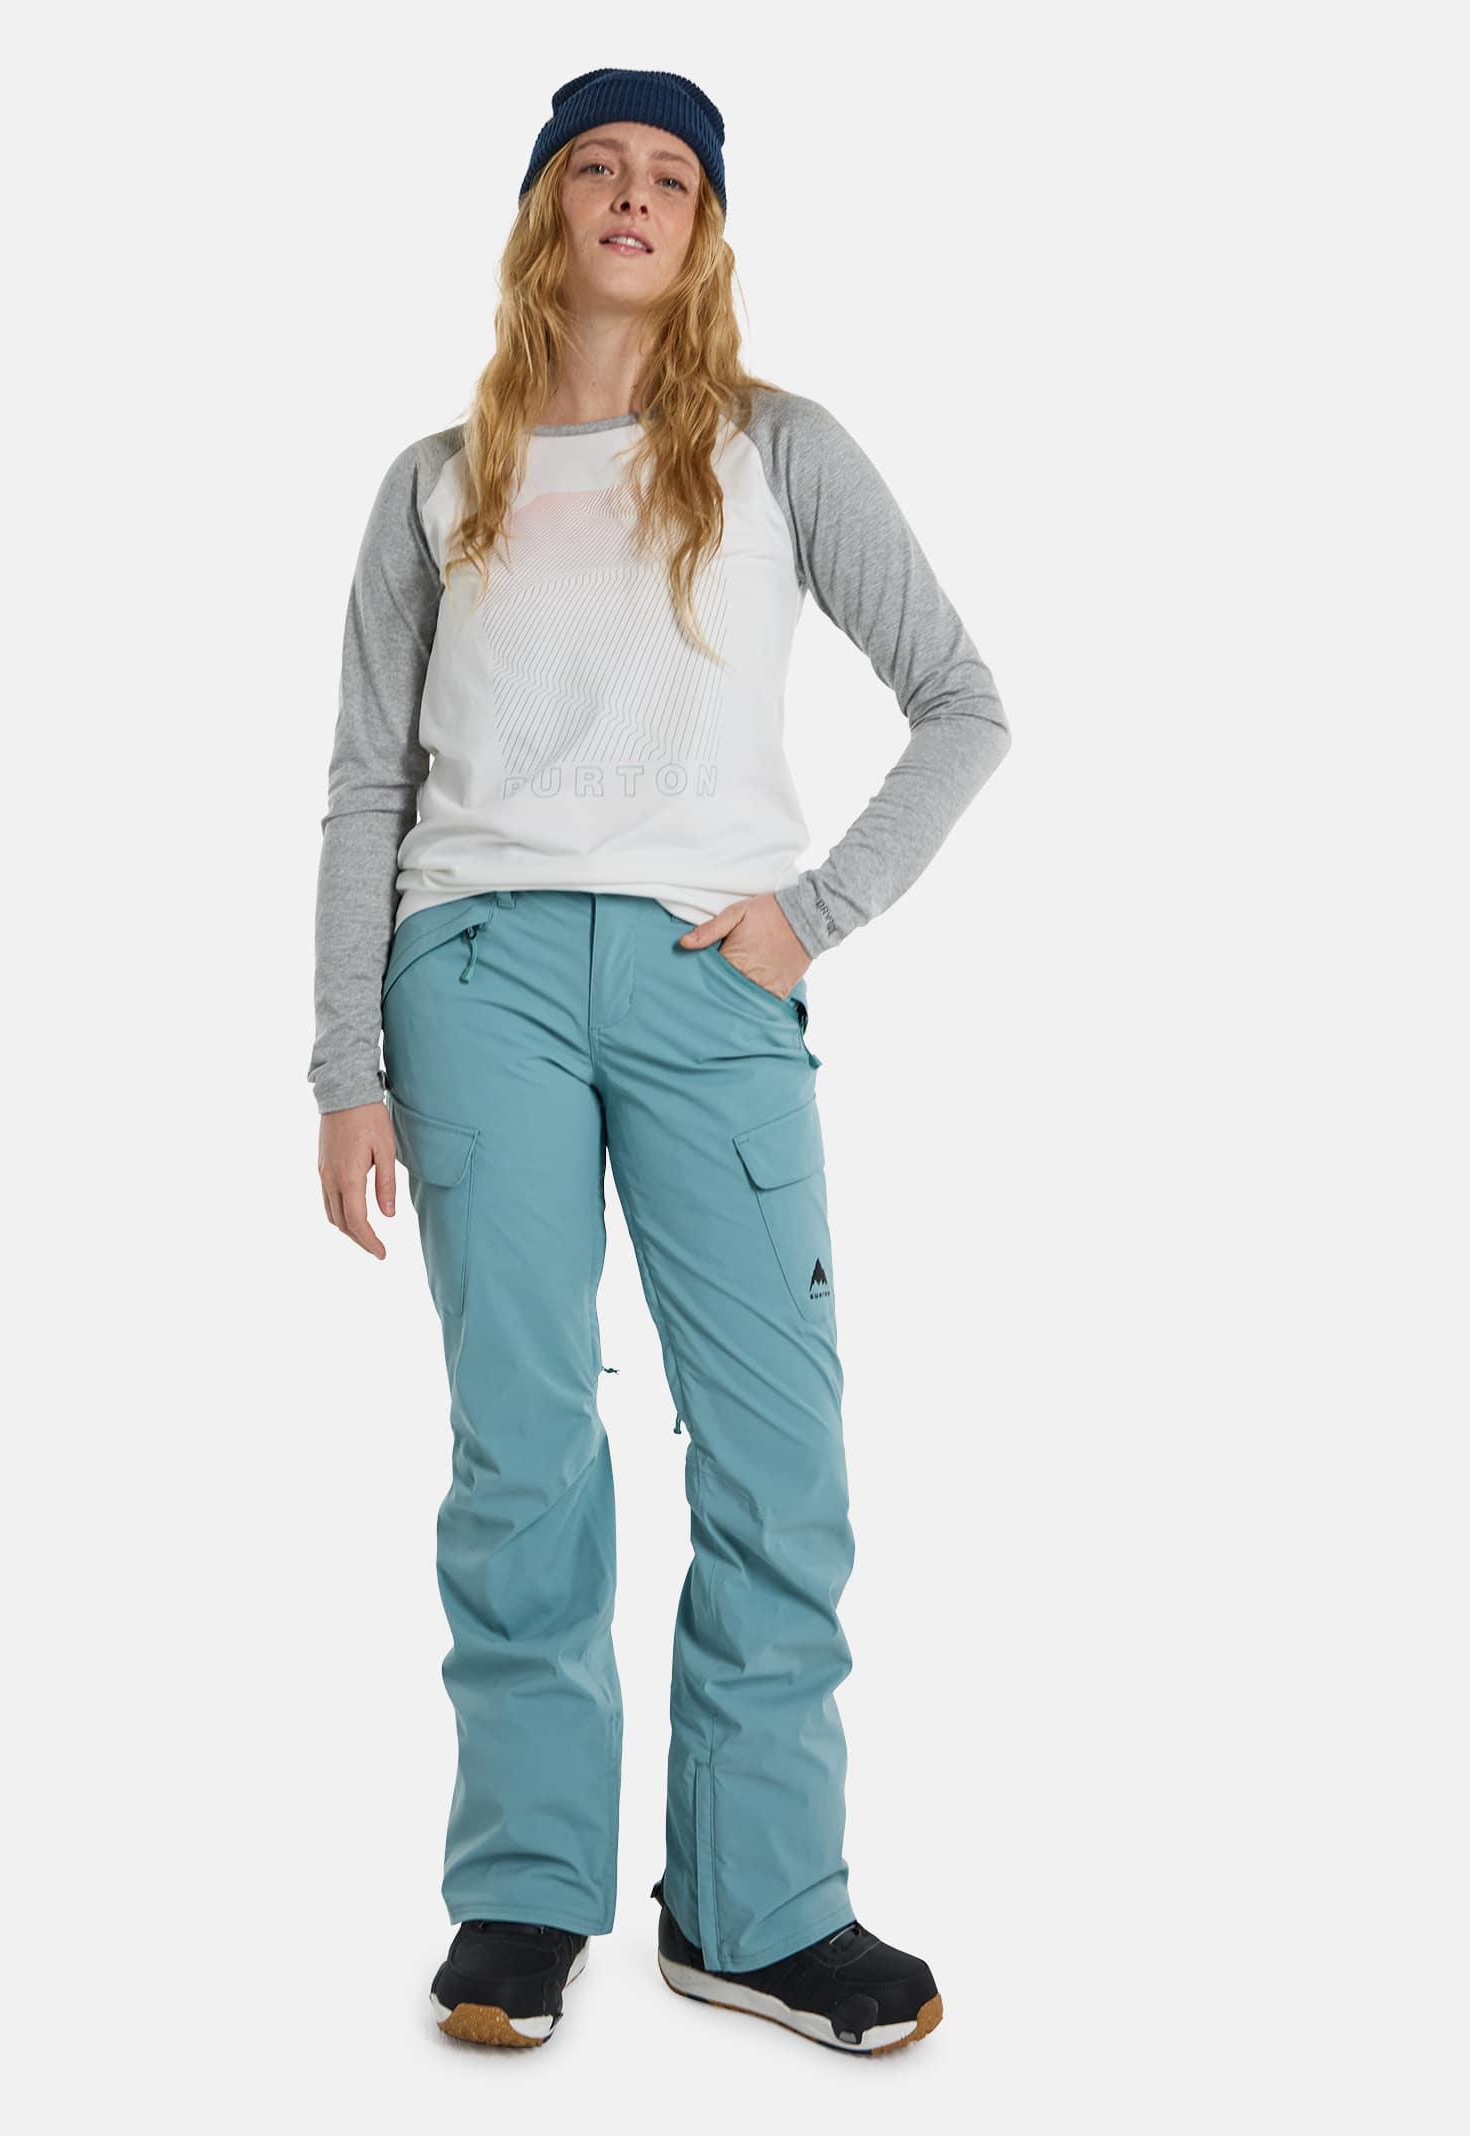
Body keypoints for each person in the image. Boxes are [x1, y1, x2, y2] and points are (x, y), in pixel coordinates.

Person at [308, 67, 1011, 2056]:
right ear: (547, 207)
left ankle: (756, 1907)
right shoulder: (435, 482)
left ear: (703, 230)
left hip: (716, 983)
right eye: (597, 167)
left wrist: (816, 911)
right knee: (523, 1444)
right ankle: (526, 1892)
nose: (633, 196)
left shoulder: (779, 450)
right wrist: (343, 1065)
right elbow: (366, 787)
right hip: (478, 978)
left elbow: (961, 702)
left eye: (672, 176)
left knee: (778, 1452)